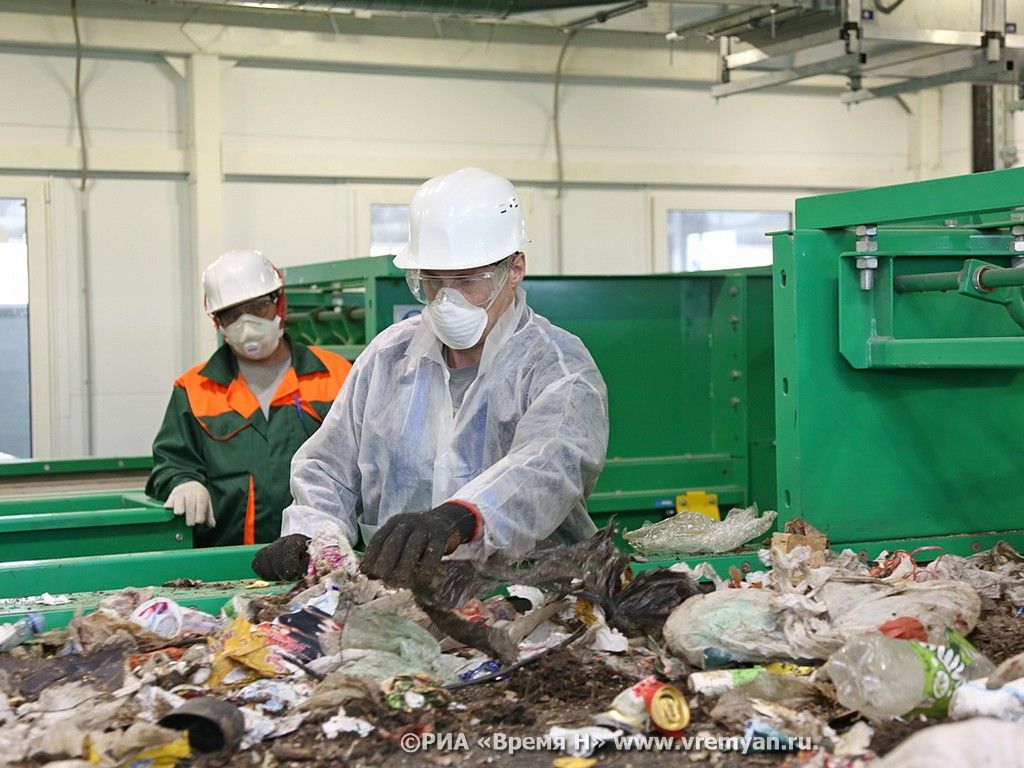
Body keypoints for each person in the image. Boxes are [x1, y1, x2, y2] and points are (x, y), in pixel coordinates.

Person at [251, 168, 609, 585]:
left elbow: (551, 464)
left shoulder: (558, 366)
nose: (447, 297)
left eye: (467, 280)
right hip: (399, 597)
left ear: (515, 268)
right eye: (433, 280)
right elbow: (330, 467)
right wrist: (310, 534)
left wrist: (460, 519)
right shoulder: (388, 357)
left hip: (529, 595)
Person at [146, 250, 352, 547]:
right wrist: (183, 482)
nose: (247, 323)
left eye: (258, 307)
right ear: (218, 322)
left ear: (279, 304)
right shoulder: (194, 389)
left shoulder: (336, 376)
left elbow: (366, 460)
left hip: (317, 557)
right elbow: (170, 463)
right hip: (223, 563)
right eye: (232, 314)